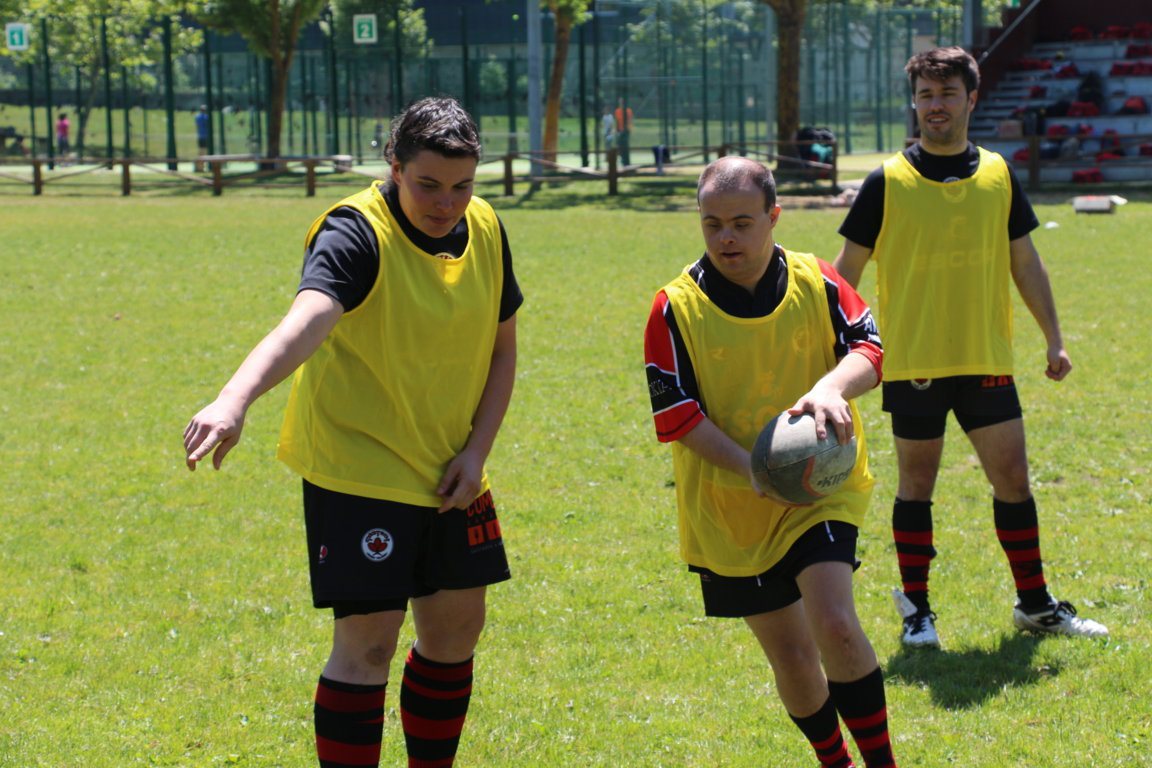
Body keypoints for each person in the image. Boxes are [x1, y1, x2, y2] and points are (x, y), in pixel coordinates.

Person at [183, 96, 522, 767]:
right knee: (369, 643)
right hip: (360, 467)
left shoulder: (484, 227)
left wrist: (477, 451)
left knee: (457, 631)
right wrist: (234, 398)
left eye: (461, 186)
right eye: (427, 184)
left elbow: (502, 349)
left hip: (451, 466)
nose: (445, 203)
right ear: (394, 166)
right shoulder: (355, 233)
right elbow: (306, 319)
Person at [834, 46, 1108, 649]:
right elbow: (842, 277)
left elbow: (1025, 261)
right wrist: (830, 351)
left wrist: (1054, 338)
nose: (936, 105)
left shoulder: (998, 174)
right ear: (915, 102)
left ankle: (1035, 606)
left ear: (971, 99)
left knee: (1013, 480)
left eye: (947, 93)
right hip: (913, 362)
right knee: (917, 487)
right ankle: (917, 614)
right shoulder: (886, 181)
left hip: (986, 358)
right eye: (926, 95)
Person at [644, 156, 897, 768]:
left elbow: (870, 347)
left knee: (833, 622)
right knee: (791, 656)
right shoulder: (673, 309)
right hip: (733, 508)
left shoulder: (818, 279)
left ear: (773, 217)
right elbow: (678, 416)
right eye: (712, 225)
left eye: (741, 223)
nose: (726, 237)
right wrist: (754, 470)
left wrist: (833, 387)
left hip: (822, 486)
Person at [614, 98, 633, 165]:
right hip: (619, 131)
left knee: (625, 146)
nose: (621, 103)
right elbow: (617, 122)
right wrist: (617, 131)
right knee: (619, 146)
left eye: (622, 102)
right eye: (620, 102)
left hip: (626, 131)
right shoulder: (617, 111)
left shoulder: (628, 111)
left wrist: (626, 129)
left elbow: (629, 120)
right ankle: (623, 159)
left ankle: (626, 161)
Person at [194, 105, 210, 172]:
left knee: (201, 151)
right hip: (206, 136)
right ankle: (200, 167)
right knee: (204, 151)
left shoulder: (197, 117)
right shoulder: (207, 117)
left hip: (200, 136)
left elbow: (197, 125)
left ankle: (200, 166)